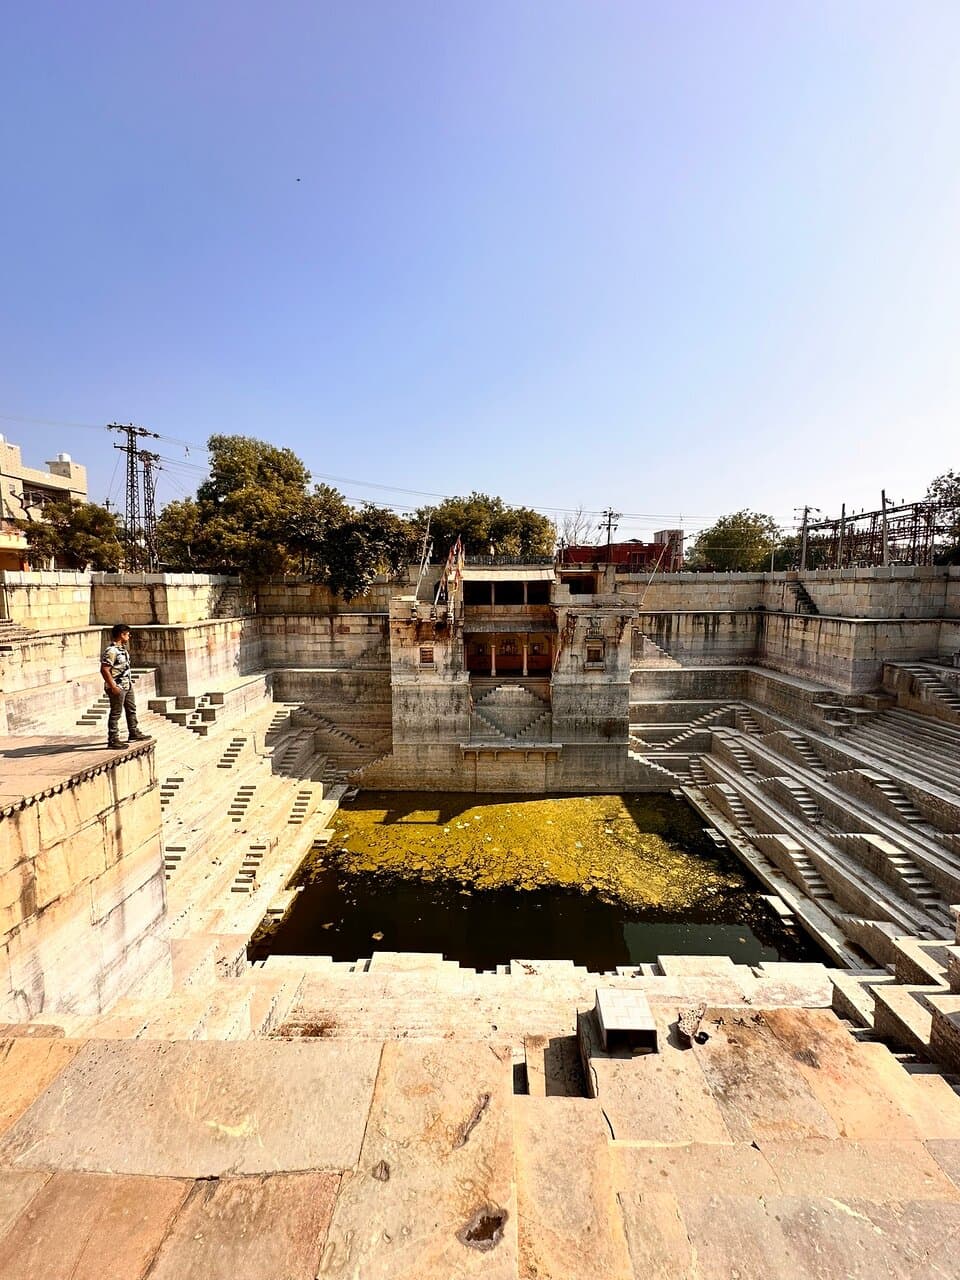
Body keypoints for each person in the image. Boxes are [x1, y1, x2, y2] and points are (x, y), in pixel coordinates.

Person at [100, 623, 153, 750]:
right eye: (127, 634)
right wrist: (113, 686)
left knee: (131, 709)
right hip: (117, 686)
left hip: (126, 684)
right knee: (116, 713)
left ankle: (133, 732)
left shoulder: (122, 649)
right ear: (121, 635)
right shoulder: (111, 651)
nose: (129, 637)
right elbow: (104, 669)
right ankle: (113, 739)